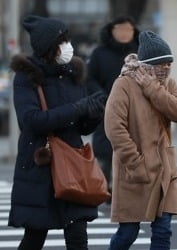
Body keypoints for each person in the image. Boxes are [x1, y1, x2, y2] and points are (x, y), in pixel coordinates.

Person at [8, 15, 106, 250]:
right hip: (40, 165)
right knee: (35, 236)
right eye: (62, 41)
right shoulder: (27, 77)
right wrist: (77, 108)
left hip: (72, 164)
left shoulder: (74, 74)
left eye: (67, 39)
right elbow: (31, 121)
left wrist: (92, 113)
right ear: (47, 47)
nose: (67, 46)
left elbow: (81, 127)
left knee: (77, 235)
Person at [104, 31, 177, 250]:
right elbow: (114, 128)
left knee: (163, 231)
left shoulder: (168, 85)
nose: (167, 68)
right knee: (127, 233)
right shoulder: (124, 85)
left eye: (170, 63)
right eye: (162, 64)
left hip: (165, 172)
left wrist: (152, 88)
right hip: (136, 171)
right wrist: (136, 164)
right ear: (147, 65)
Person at [86, 16, 140, 198]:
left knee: (133, 148)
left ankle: (129, 187)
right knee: (106, 149)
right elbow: (89, 78)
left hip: (134, 109)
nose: (124, 33)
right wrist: (101, 96)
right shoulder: (99, 53)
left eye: (128, 29)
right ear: (111, 30)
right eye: (120, 28)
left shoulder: (140, 52)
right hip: (106, 108)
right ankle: (107, 187)